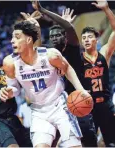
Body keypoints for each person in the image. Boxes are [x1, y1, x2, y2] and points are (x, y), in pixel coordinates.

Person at [0, 19, 92, 147]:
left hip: (60, 105)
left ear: (28, 40)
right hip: (38, 111)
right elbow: (14, 88)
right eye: (12, 37)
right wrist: (9, 92)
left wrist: (80, 90)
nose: (12, 41)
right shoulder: (9, 63)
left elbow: (68, 68)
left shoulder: (50, 55)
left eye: (17, 37)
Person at [31, 1, 97, 147]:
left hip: (77, 100)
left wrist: (43, 10)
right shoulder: (48, 54)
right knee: (51, 142)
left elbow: (69, 28)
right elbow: (34, 46)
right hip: (57, 106)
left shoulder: (72, 49)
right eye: (52, 36)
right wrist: (33, 26)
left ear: (66, 38)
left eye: (58, 35)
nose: (54, 38)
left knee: (88, 141)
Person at [80, 0, 115, 146]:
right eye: (84, 38)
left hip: (106, 105)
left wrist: (106, 9)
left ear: (96, 39)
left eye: (89, 37)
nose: (86, 40)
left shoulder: (104, 53)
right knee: (89, 145)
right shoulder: (78, 60)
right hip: (88, 107)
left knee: (112, 143)